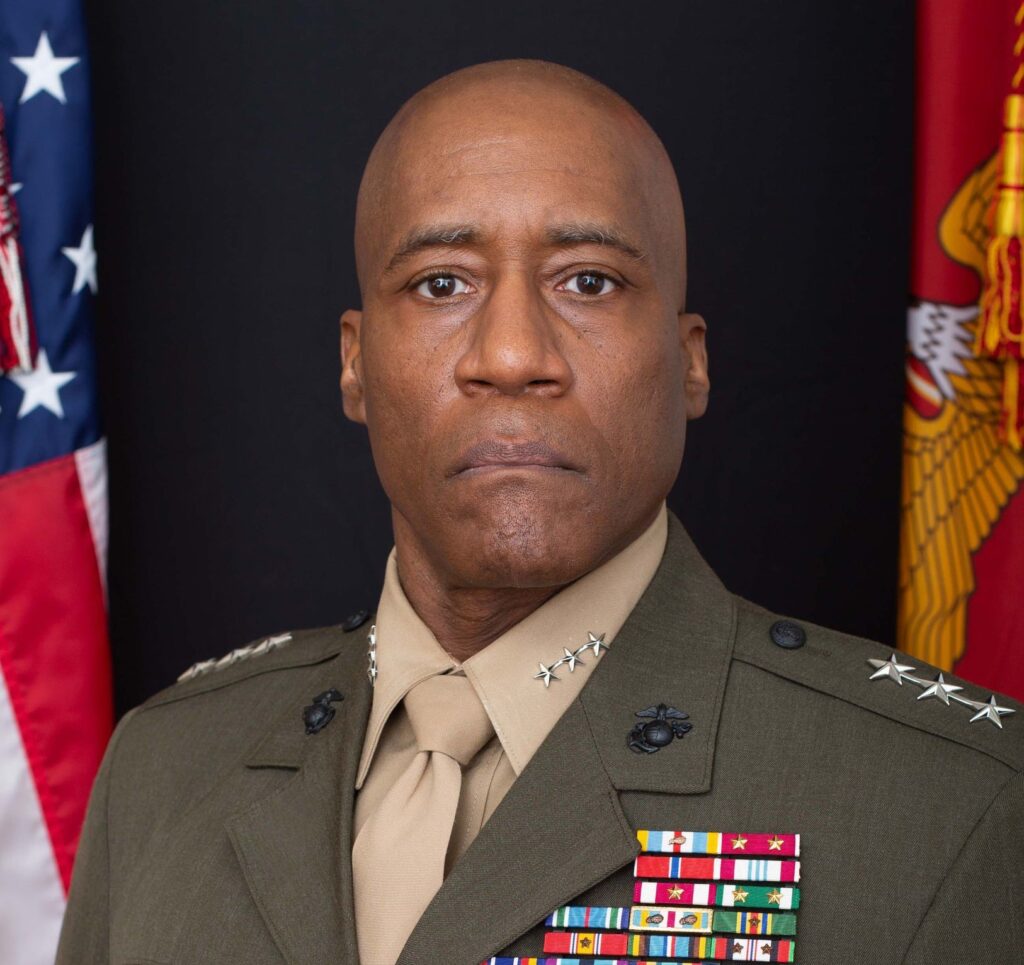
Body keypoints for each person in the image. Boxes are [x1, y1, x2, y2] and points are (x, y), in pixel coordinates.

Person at [57, 59, 1023, 965]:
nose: (513, 355)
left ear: (689, 360)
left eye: (588, 281)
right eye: (441, 283)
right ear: (355, 362)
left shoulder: (950, 807)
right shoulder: (165, 768)